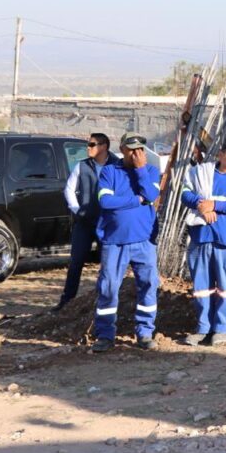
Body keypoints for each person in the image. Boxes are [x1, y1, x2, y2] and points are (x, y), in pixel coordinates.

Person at [180, 137, 226, 346]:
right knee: (202, 286)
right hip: (201, 237)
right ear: (221, 154)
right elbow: (186, 194)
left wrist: (215, 205)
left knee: (225, 286)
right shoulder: (201, 174)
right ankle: (203, 327)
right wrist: (201, 205)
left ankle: (221, 329)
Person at [91, 132, 162, 352]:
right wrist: (136, 200)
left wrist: (141, 170)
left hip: (144, 241)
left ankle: (145, 332)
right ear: (122, 149)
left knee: (148, 285)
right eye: (131, 149)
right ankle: (105, 335)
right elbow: (106, 201)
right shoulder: (110, 172)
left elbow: (151, 194)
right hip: (115, 241)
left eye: (140, 149)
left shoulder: (150, 171)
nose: (136, 153)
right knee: (109, 287)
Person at [54, 132, 111, 311]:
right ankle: (66, 301)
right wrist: (79, 211)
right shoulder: (82, 166)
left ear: (104, 147)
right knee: (76, 260)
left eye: (92, 144)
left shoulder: (117, 165)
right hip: (85, 223)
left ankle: (103, 300)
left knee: (107, 263)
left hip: (108, 223)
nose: (88, 148)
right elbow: (69, 190)